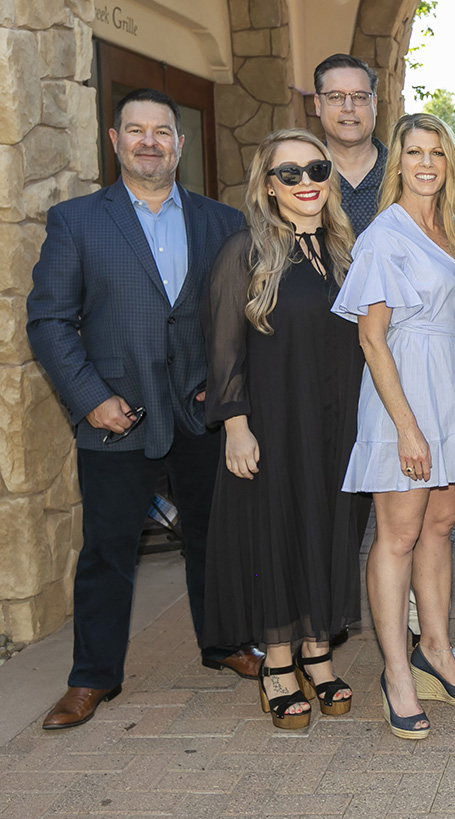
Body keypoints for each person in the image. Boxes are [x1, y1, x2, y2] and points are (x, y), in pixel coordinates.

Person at [27, 88, 255, 730]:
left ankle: (226, 643)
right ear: (115, 140)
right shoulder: (77, 221)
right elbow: (48, 321)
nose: (150, 141)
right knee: (108, 549)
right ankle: (92, 678)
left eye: (163, 130)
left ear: (180, 144)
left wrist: (227, 383)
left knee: (216, 539)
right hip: (115, 412)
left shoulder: (222, 221)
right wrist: (91, 397)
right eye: (136, 130)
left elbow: (239, 316)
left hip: (200, 410)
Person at [201, 128, 366, 730]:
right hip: (273, 419)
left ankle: (318, 653)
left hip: (338, 422)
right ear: (268, 186)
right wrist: (236, 425)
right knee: (280, 531)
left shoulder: (348, 249)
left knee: (330, 529)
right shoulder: (244, 251)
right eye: (289, 173)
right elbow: (222, 351)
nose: (306, 183)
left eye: (315, 170)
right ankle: (277, 661)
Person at [333, 113, 455, 740]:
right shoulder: (382, 237)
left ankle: (437, 648)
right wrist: (408, 428)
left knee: (441, 527)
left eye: (438, 153)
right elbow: (371, 338)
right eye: (414, 152)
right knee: (396, 535)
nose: (426, 163)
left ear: (450, 164)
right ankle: (396, 670)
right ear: (397, 162)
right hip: (405, 393)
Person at [313, 53, 385, 236]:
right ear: (318, 105)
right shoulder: (302, 178)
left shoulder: (403, 174)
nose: (348, 107)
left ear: (374, 105)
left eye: (360, 97)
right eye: (335, 97)